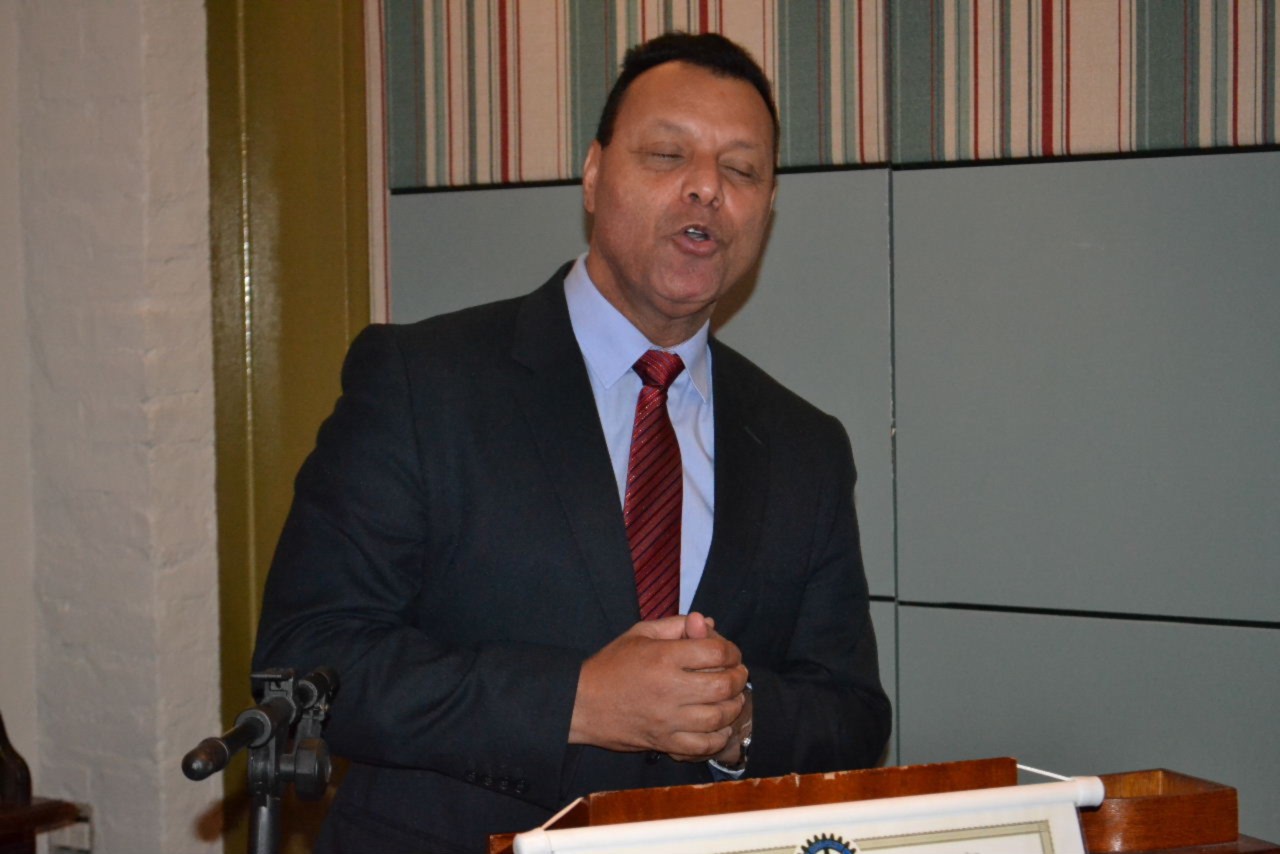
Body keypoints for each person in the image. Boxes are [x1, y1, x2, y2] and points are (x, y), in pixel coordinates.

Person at [253, 31, 891, 854]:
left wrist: (736, 721)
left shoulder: (806, 446)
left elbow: (852, 714)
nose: (706, 188)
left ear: (765, 209)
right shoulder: (422, 382)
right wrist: (578, 701)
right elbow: (307, 661)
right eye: (668, 155)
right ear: (594, 174)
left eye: (741, 170)